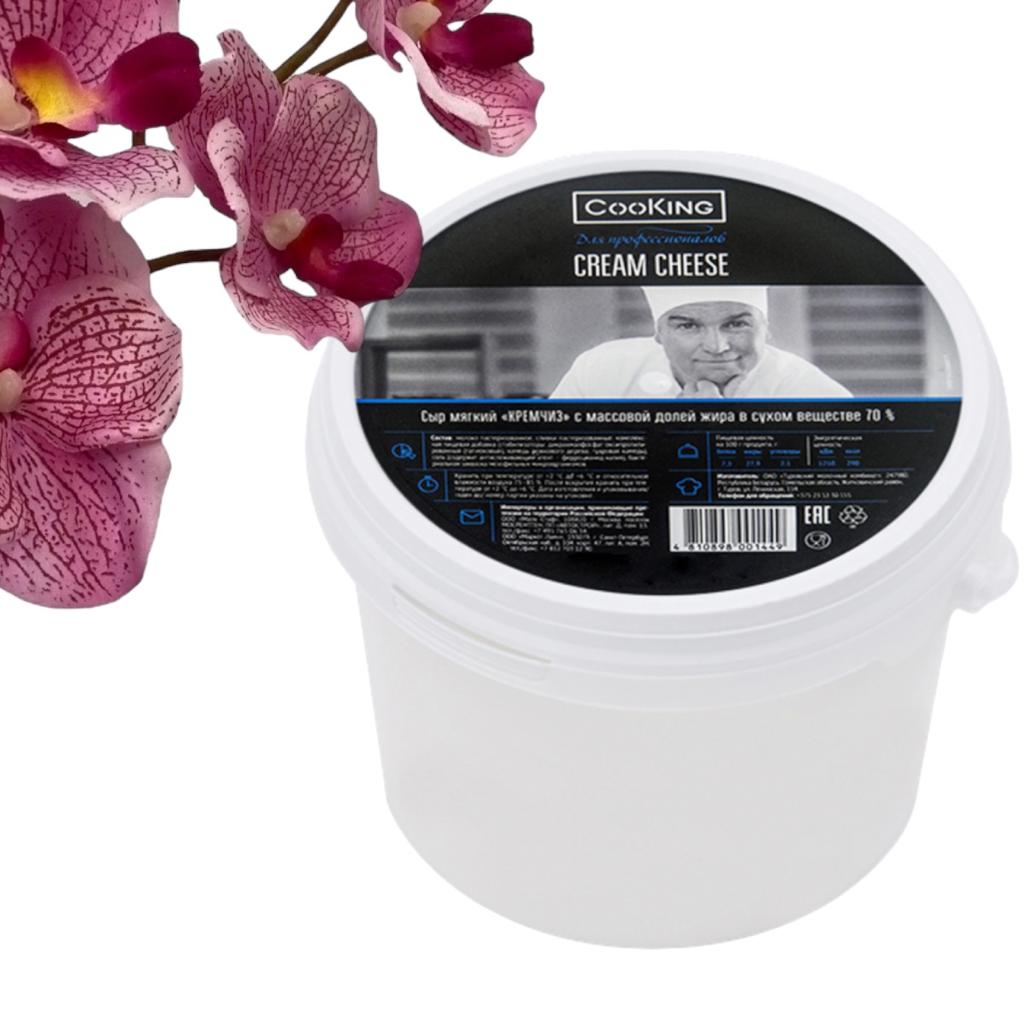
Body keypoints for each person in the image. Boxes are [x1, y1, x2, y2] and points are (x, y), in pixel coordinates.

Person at [550, 286, 852, 399]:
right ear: (659, 334)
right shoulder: (601, 370)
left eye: (736, 324)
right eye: (688, 326)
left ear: (766, 329)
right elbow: (552, 470)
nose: (717, 346)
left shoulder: (808, 391)